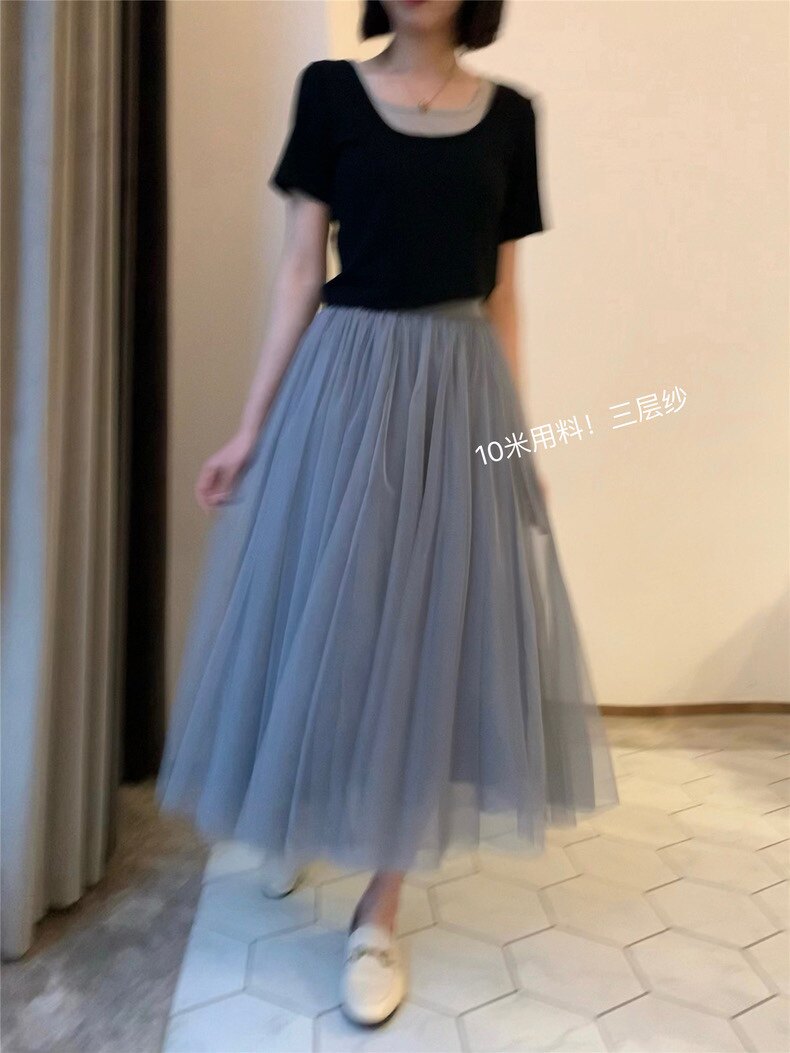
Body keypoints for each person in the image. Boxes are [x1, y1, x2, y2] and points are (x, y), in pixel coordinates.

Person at [156, 0, 619, 1029]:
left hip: (459, 392)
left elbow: (504, 295)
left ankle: (379, 909)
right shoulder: (329, 93)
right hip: (346, 377)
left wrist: (520, 441)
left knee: (424, 638)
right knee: (326, 613)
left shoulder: (512, 116)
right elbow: (298, 269)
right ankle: (296, 812)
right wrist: (250, 426)